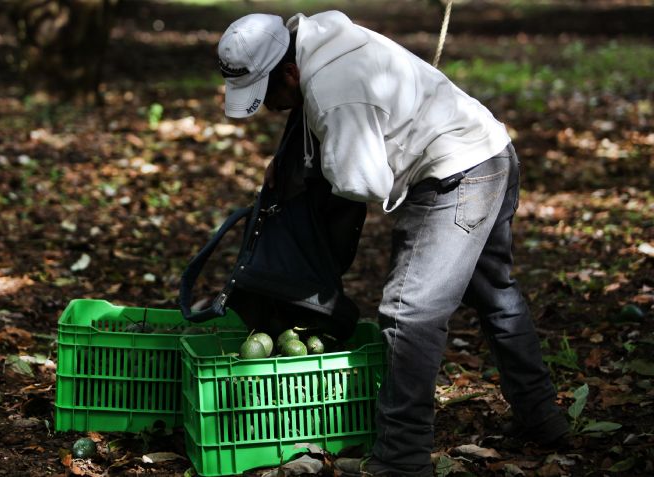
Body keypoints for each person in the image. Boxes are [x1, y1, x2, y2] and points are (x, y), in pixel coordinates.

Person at [216, 11, 569, 477]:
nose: (269, 107)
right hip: (491, 151)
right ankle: (544, 420)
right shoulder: (314, 38)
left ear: (290, 72)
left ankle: (402, 459)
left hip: (456, 174)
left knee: (410, 312)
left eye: (270, 95)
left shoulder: (334, 92)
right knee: (495, 295)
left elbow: (362, 181)